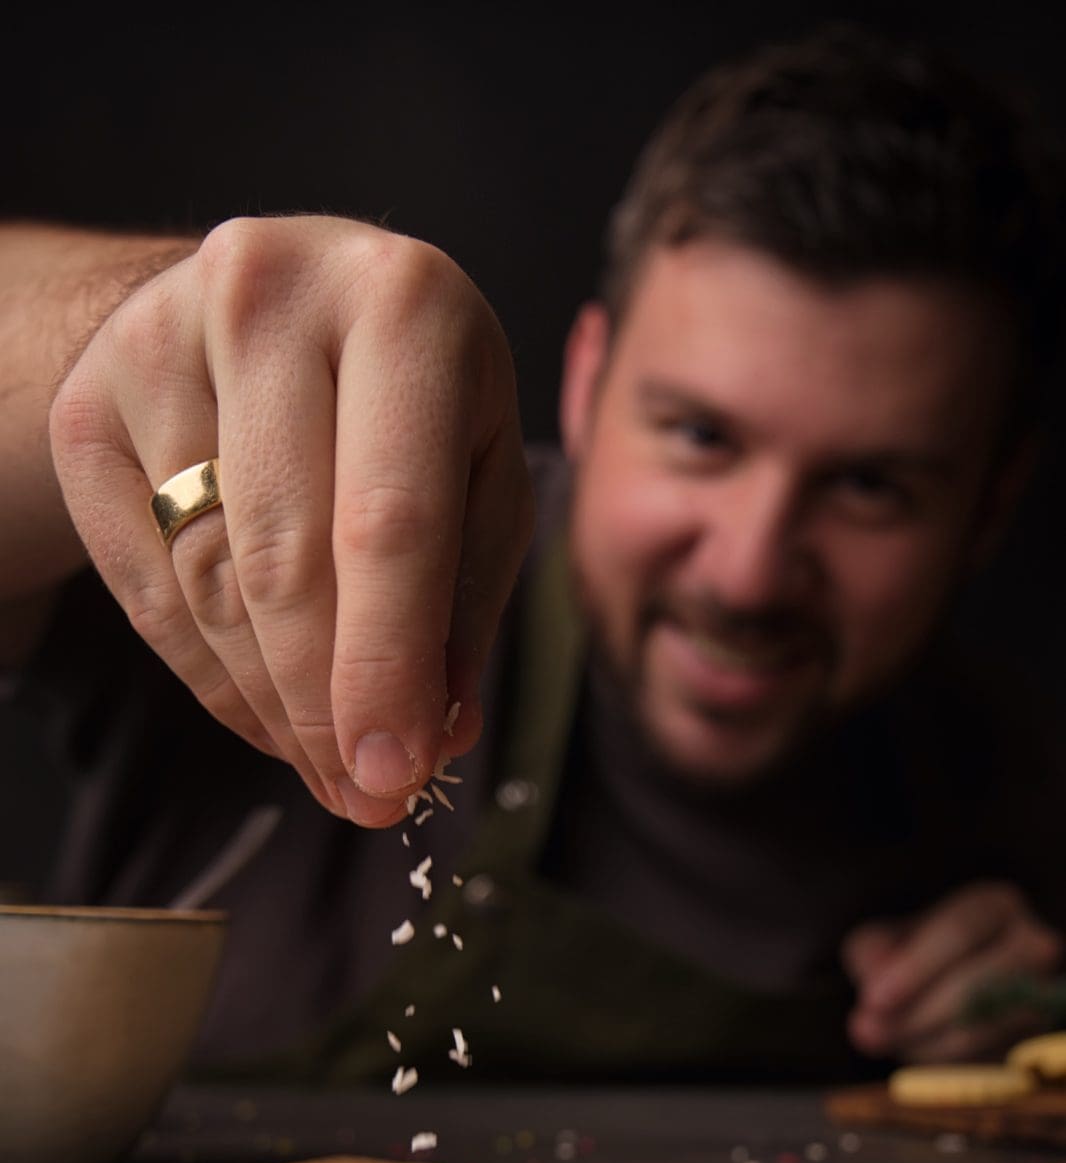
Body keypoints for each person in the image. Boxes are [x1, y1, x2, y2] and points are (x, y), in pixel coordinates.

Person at [3, 26, 1065, 1084]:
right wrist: (129, 334)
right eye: (699, 436)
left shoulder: (1013, 805)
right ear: (587, 380)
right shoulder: (293, 529)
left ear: (990, 505)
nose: (746, 572)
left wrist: (1031, 1027)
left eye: (870, 488)